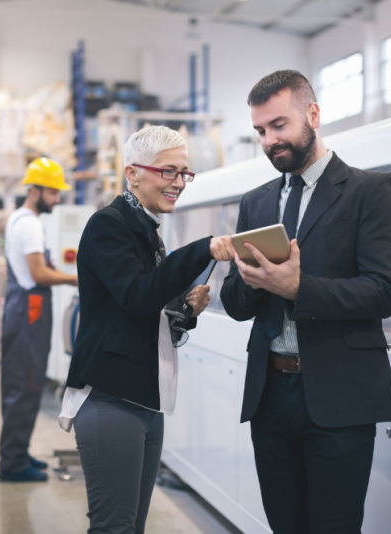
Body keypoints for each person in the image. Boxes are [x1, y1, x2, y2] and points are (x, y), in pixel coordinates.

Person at [220, 70, 391, 533]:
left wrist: (298, 289)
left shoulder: (368, 191)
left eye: (278, 125)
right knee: (285, 525)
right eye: (261, 131)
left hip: (338, 396)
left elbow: (384, 290)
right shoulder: (256, 203)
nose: (269, 141)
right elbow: (236, 302)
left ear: (313, 114)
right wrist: (253, 281)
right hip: (270, 394)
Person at [59, 125, 236, 533]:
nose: (178, 183)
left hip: (144, 402)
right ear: (132, 173)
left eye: (184, 173)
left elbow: (145, 314)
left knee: (131, 526)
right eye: (168, 172)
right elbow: (137, 296)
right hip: (110, 400)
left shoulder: (147, 229)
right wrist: (202, 249)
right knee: (114, 527)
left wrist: (185, 312)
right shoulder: (109, 226)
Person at [0, 157, 78, 483]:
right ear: (35, 190)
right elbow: (39, 273)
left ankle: (18, 451)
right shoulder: (29, 224)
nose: (58, 199)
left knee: (22, 383)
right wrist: (76, 280)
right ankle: (13, 463)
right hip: (29, 309)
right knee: (27, 384)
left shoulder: (19, 218)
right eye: (53, 192)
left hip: (23, 308)